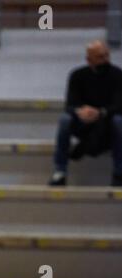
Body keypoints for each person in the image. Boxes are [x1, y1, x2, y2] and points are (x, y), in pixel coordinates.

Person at [49, 40, 122, 187]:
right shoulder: (77, 75)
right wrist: (81, 111)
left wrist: (100, 112)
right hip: (83, 120)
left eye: (106, 56)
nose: (105, 60)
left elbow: (119, 105)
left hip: (107, 121)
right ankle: (60, 172)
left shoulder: (117, 75)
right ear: (89, 60)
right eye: (100, 57)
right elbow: (70, 105)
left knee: (119, 121)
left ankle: (119, 172)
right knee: (65, 120)